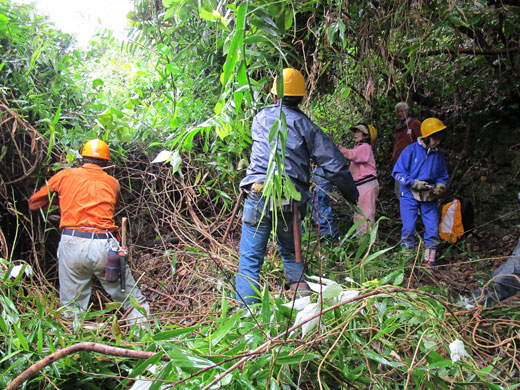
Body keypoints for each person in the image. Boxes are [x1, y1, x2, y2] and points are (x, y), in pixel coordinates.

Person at [236, 68, 359, 305]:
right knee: (292, 254)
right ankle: (302, 308)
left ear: (273, 96)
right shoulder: (305, 125)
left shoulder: (260, 118)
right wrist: (351, 195)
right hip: (288, 198)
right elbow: (334, 164)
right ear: (301, 99)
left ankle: (245, 320)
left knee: (250, 261)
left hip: (258, 192)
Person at [29, 139, 150, 325]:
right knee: (131, 299)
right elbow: (110, 206)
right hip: (105, 245)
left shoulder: (64, 175)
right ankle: (145, 339)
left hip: (72, 244)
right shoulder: (113, 183)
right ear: (107, 163)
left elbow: (34, 203)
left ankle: (71, 344)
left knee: (71, 308)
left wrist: (61, 205)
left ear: (82, 158)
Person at [392, 118, 449, 268]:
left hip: (429, 196)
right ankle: (407, 261)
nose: (437, 142)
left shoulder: (438, 155)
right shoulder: (410, 151)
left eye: (440, 138)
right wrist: (413, 182)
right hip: (409, 194)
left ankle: (429, 261)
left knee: (432, 228)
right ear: (426, 136)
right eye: (435, 138)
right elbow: (397, 172)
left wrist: (441, 185)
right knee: (409, 228)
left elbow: (443, 175)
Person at [338, 124, 379, 234]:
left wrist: (339, 148)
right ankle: (363, 243)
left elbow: (352, 154)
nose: (355, 134)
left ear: (366, 135)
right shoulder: (360, 147)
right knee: (360, 215)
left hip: (366, 184)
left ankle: (367, 244)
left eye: (358, 132)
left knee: (365, 216)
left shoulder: (365, 147)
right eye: (355, 132)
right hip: (361, 185)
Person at [392, 102, 422, 199]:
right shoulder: (398, 128)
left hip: (411, 164)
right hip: (399, 164)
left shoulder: (415, 124)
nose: (400, 114)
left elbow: (422, 142)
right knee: (399, 190)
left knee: (411, 189)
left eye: (402, 111)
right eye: (398, 112)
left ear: (408, 111)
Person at [309, 165, 340, 240]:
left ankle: (329, 236)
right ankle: (327, 234)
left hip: (322, 164)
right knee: (313, 200)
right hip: (309, 165)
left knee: (318, 200)